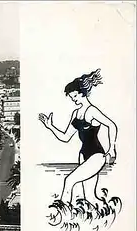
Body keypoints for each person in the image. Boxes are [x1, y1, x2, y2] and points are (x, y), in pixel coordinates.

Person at [39, 69, 117, 204]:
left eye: (74, 95)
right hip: (83, 155)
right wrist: (50, 126)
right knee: (90, 198)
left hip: (97, 155)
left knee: (69, 181)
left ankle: (62, 213)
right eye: (71, 97)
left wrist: (112, 149)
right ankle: (104, 210)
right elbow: (65, 137)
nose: (73, 99)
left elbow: (112, 125)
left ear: (82, 93)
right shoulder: (76, 113)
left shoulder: (92, 111)